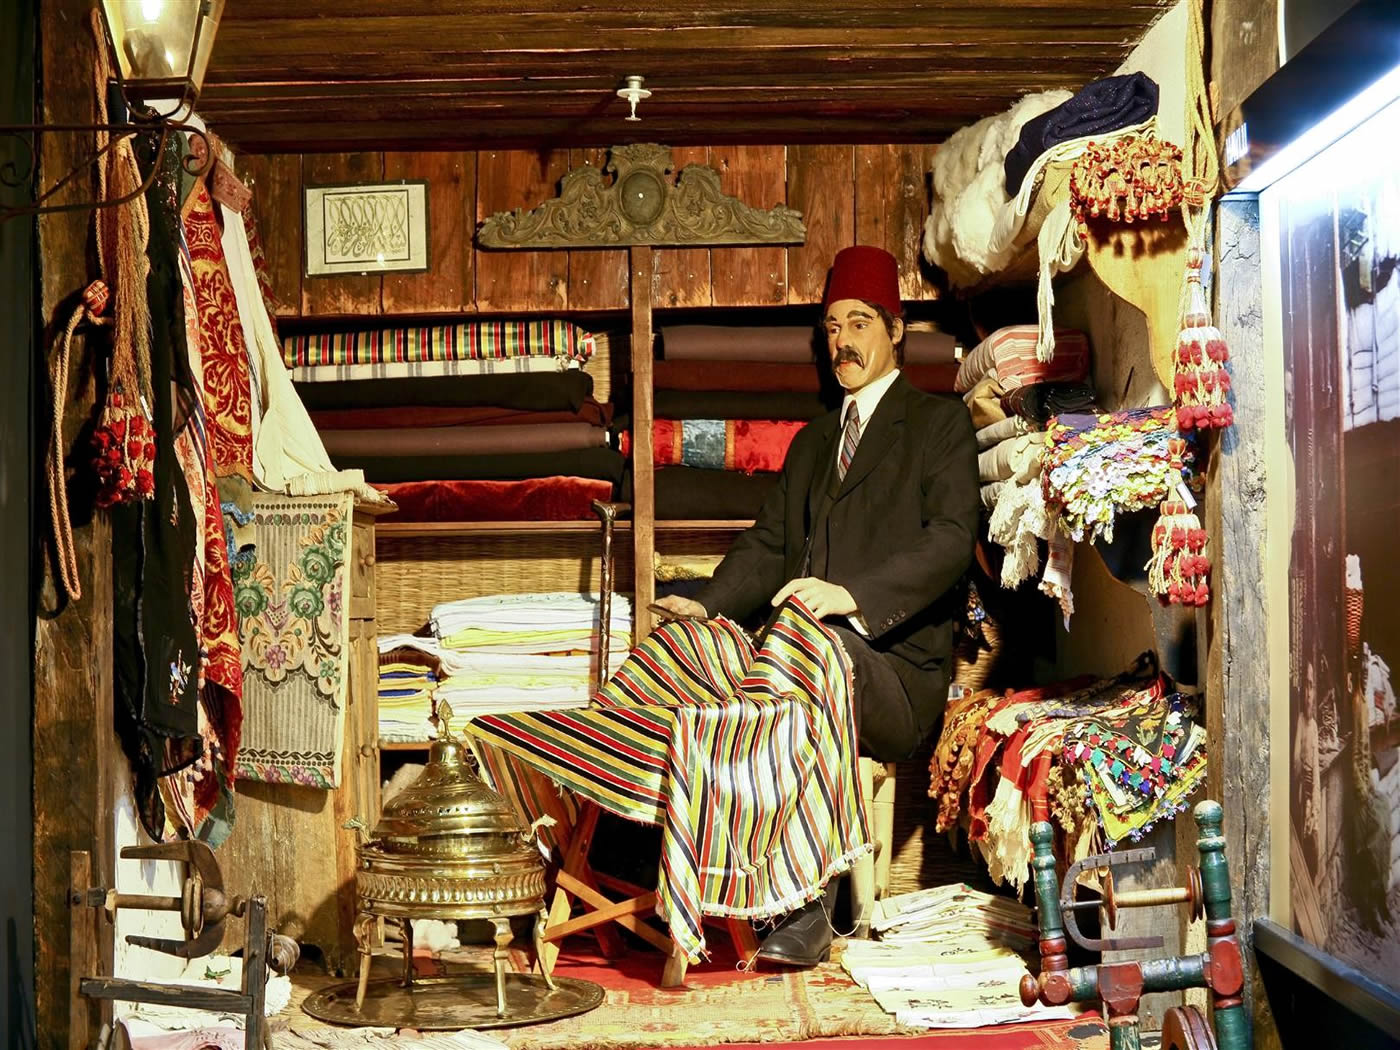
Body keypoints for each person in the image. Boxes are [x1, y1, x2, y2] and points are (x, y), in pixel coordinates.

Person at [652, 244, 979, 966]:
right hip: (804, 662)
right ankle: (703, 878)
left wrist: (850, 598)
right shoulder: (813, 443)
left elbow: (953, 541)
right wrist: (707, 606)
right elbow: (770, 543)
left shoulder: (938, 424)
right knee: (698, 653)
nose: (842, 342)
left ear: (895, 330)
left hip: (896, 674)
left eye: (859, 323)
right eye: (832, 327)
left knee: (808, 644)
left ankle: (815, 904)